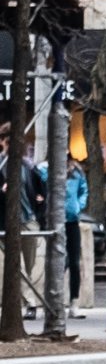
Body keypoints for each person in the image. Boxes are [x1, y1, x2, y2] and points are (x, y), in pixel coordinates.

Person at [0, 121, 45, 320]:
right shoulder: (1, 166)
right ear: (3, 143)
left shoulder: (28, 167)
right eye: (7, 142)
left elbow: (41, 190)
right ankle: (30, 302)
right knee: (15, 264)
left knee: (28, 264)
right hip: (6, 223)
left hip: (28, 220)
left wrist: (40, 202)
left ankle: (26, 301)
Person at [39, 152, 90, 318]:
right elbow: (40, 185)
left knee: (74, 261)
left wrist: (78, 206)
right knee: (57, 261)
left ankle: (74, 302)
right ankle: (55, 300)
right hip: (55, 220)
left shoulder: (76, 173)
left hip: (72, 220)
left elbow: (84, 191)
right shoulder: (46, 171)